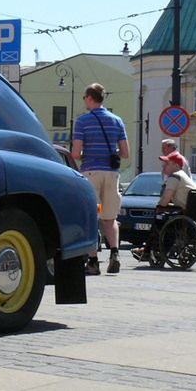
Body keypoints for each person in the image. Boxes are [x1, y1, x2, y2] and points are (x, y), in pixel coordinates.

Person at [71, 83, 130, 276]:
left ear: (89, 97)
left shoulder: (83, 121)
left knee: (92, 215)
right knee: (109, 217)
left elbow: (76, 153)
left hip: (91, 174)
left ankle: (93, 261)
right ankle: (115, 253)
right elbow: (125, 152)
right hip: (112, 174)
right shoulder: (117, 121)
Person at [132, 151, 196, 263]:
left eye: (167, 163)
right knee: (162, 217)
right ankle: (147, 250)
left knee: (158, 219)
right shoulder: (183, 176)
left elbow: (164, 202)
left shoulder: (175, 177)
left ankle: (149, 250)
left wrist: (160, 205)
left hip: (183, 216)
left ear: (176, 165)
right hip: (189, 213)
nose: (164, 166)